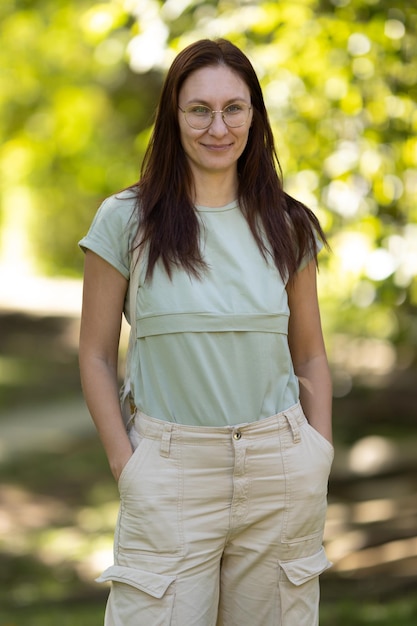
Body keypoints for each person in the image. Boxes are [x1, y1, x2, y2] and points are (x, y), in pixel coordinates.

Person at [79, 38, 334, 626]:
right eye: (199, 109)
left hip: (280, 469)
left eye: (234, 108)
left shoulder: (287, 225)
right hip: (170, 472)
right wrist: (128, 465)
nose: (218, 127)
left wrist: (316, 453)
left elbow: (312, 355)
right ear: (174, 116)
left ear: (254, 115)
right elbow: (94, 355)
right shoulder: (125, 220)